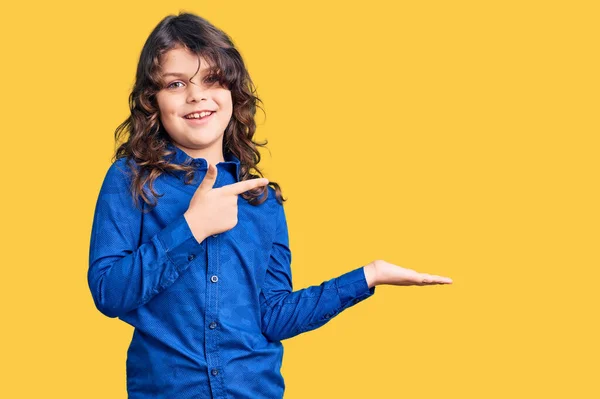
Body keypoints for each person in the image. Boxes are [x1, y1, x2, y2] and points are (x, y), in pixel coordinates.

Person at [88, 12, 452, 399]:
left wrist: (368, 276)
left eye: (211, 79)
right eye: (176, 83)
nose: (196, 95)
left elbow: (272, 316)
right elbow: (109, 293)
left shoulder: (262, 200)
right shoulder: (131, 179)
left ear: (232, 93)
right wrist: (192, 227)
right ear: (153, 100)